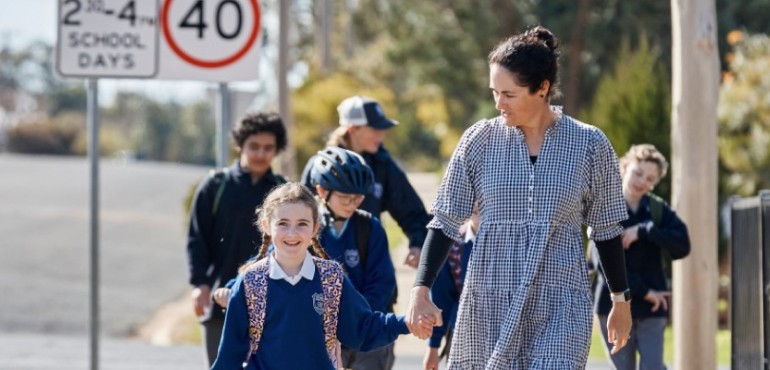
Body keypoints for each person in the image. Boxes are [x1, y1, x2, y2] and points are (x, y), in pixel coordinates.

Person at [406, 25, 633, 369]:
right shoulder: (479, 141)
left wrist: (621, 300)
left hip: (561, 302)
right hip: (489, 301)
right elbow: (446, 220)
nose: (499, 103)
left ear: (542, 89)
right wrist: (420, 289)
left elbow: (605, 229)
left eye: (509, 94)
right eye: (494, 92)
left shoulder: (589, 144)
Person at [210, 183, 424, 370]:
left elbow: (362, 328)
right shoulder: (250, 283)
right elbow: (229, 357)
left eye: (302, 224)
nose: (292, 233)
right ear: (266, 226)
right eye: (282, 224)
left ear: (315, 229)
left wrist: (406, 323)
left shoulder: (332, 279)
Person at [186, 112, 288, 366]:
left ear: (276, 151)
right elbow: (197, 238)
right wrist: (200, 283)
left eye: (268, 148)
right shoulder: (215, 186)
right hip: (219, 301)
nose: (261, 154)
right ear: (240, 144)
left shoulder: (284, 191)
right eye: (254, 146)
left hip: (270, 304)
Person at [300, 95, 432, 268]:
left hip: (370, 265)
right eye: (375, 129)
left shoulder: (382, 164)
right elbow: (300, 216)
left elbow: (410, 209)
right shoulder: (319, 166)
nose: (382, 135)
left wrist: (417, 243)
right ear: (353, 129)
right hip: (322, 264)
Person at [592, 144, 690, 370]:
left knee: (654, 367)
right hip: (614, 306)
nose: (641, 181)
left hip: (652, 310)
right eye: (638, 173)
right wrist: (645, 292)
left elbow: (683, 245)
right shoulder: (605, 206)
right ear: (624, 166)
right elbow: (602, 265)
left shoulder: (656, 210)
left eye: (649, 178)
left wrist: (645, 231)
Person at [309, 147, 398, 369]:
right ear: (321, 191)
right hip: (319, 332)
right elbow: (270, 262)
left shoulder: (369, 228)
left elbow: (382, 282)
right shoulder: (305, 227)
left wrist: (357, 319)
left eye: (358, 198)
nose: (352, 203)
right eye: (345, 197)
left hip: (365, 328)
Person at [423, 206, 478, 370]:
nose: (477, 202)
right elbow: (442, 300)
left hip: (503, 337)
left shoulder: (513, 246)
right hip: (461, 336)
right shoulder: (453, 245)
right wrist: (433, 346)